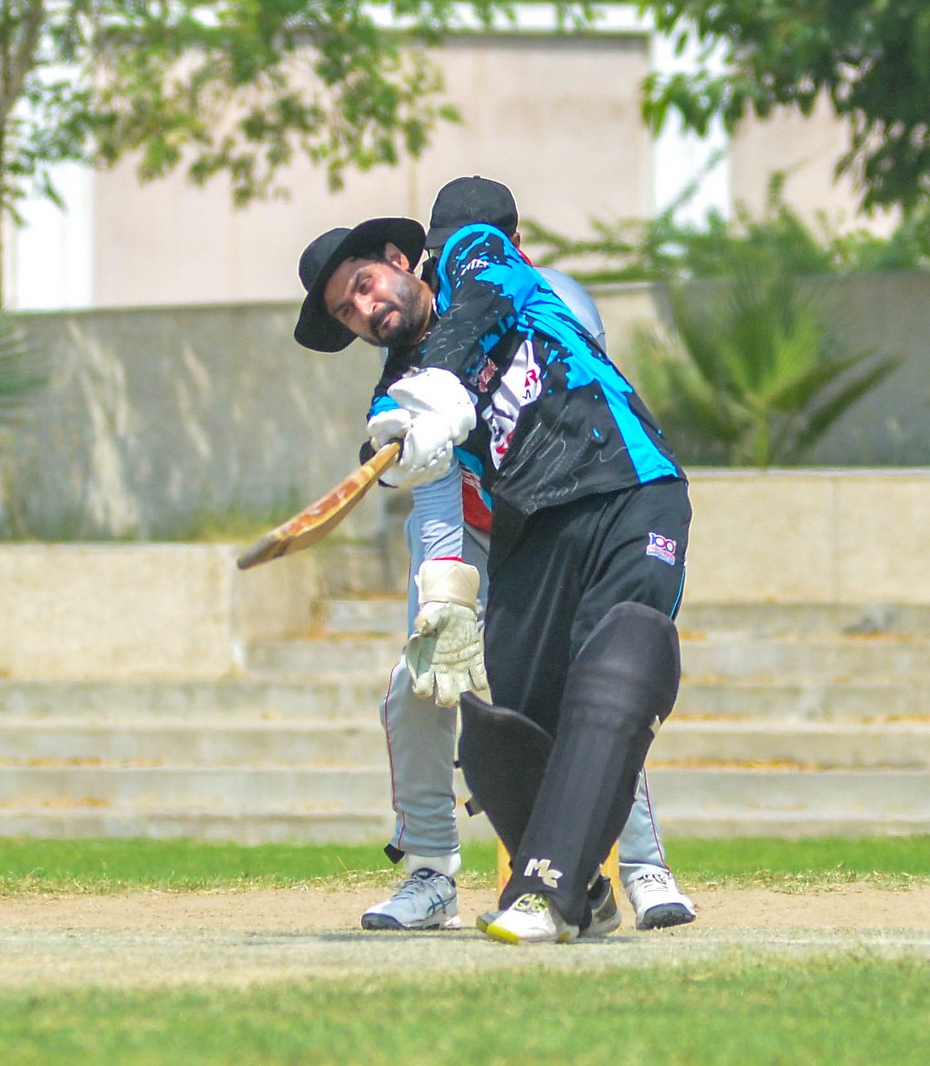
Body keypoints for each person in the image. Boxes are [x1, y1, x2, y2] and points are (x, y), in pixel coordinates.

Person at [293, 185, 691, 944]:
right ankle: (581, 892)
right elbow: (432, 490)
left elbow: (482, 303)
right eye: (348, 310)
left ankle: (563, 885)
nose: (367, 309)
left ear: (400, 258)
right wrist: (442, 594)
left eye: (367, 284)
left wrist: (438, 383)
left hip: (628, 483)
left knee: (610, 670)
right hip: (529, 532)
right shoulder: (399, 395)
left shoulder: (470, 253)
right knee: (501, 727)